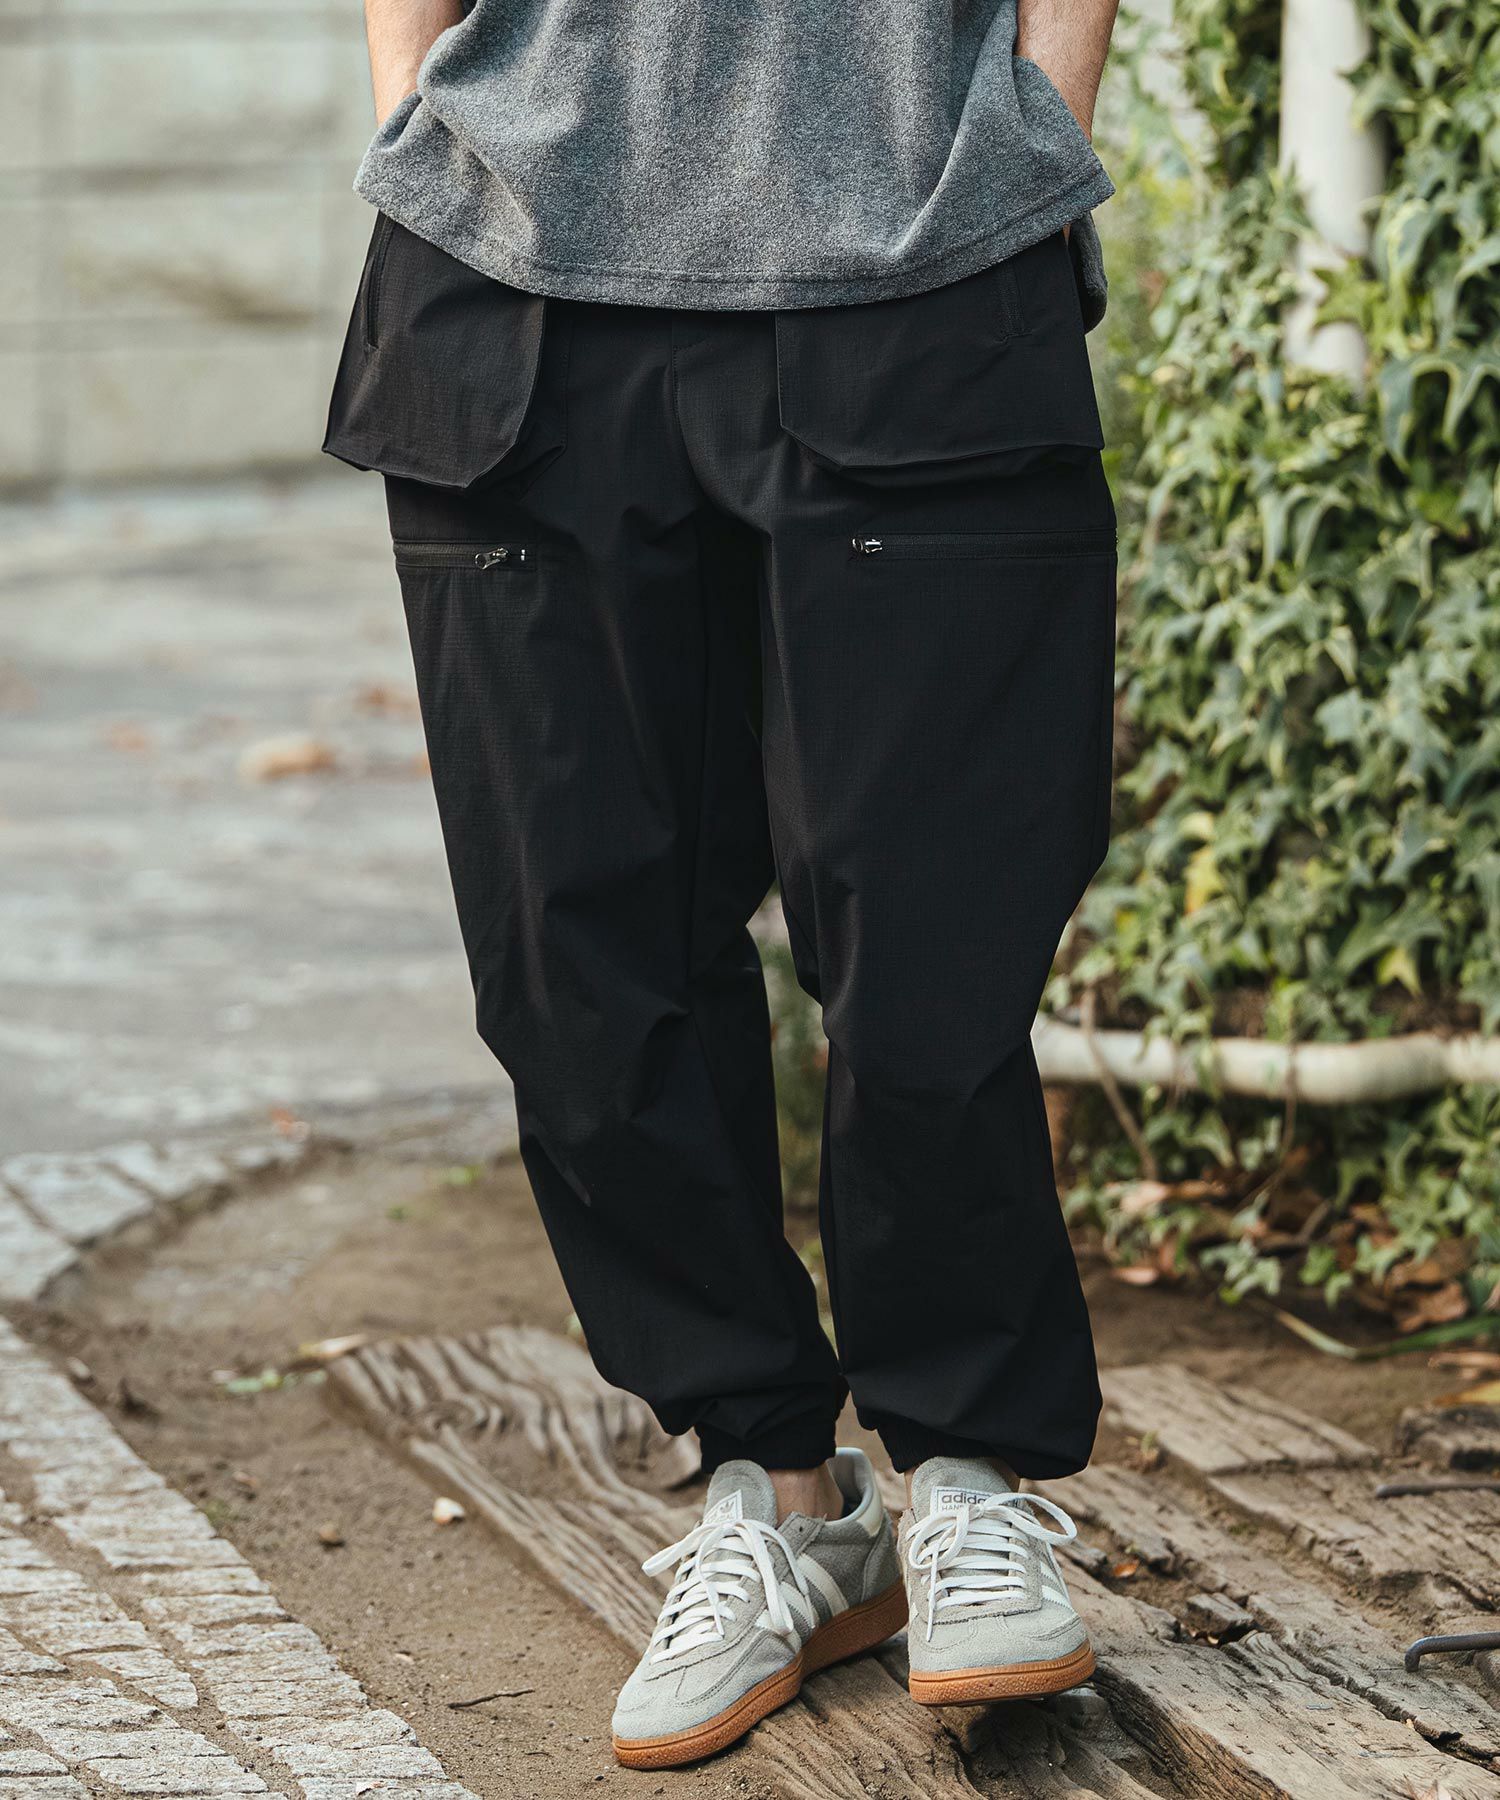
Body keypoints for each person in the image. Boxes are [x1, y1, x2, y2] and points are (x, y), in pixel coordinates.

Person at [326, 0, 1120, 1769]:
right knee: (574, 960)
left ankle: (967, 1477)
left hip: (928, 243)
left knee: (934, 933)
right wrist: (414, 107)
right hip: (513, 264)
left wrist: (1039, 117)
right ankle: (777, 1489)